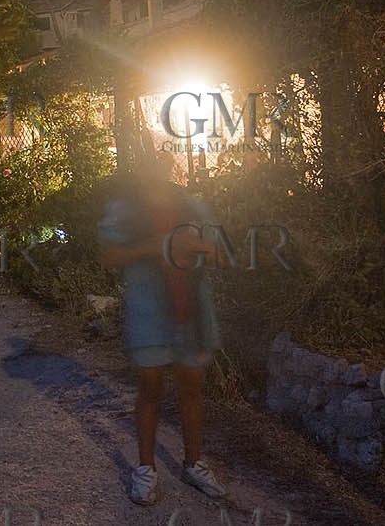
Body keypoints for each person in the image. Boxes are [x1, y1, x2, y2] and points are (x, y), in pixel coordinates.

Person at [97, 154, 226, 506]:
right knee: (150, 389)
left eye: (160, 166)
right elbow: (107, 253)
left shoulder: (193, 206)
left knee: (192, 389)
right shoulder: (125, 208)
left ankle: (194, 464)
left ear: (168, 169)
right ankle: (146, 470)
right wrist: (151, 247)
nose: (155, 172)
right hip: (149, 315)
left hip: (192, 314)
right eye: (148, 167)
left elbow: (218, 252)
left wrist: (193, 246)